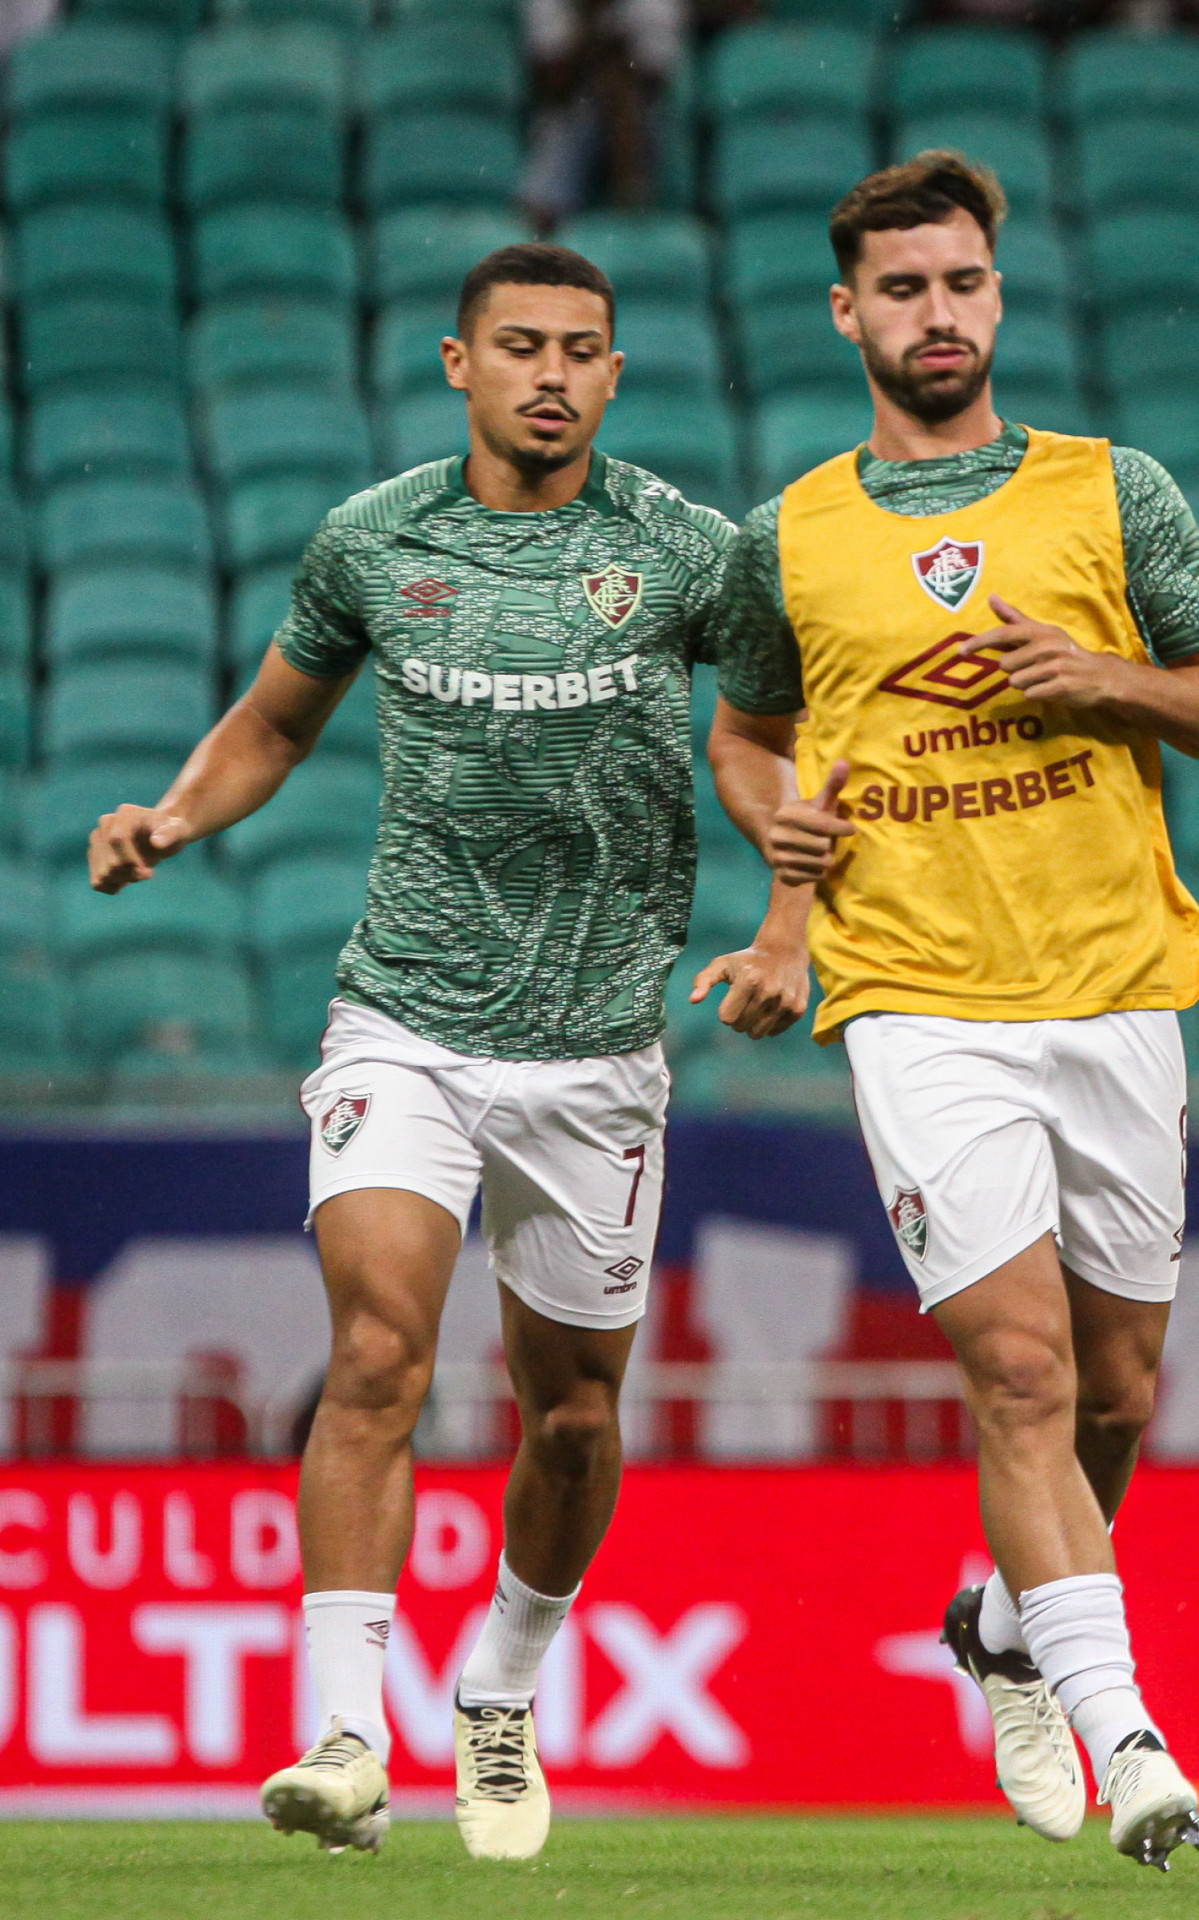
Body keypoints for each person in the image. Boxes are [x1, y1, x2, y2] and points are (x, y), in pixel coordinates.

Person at [87, 243, 801, 1861]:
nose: (552, 373)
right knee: (378, 1356)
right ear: (455, 363)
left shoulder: (693, 556)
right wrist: (174, 815)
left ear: (618, 375)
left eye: (584, 350)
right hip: (402, 1016)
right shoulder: (376, 538)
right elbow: (277, 718)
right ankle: (344, 1734)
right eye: (521, 346)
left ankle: (503, 1682)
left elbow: (770, 741)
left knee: (571, 1422)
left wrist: (787, 928)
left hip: (600, 1052)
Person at [704, 151, 1199, 1869]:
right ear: (849, 312)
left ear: (999, 295)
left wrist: (1106, 678)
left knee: (1122, 1392)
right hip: (915, 996)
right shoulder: (793, 532)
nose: (938, 313)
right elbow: (751, 731)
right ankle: (1130, 1735)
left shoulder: (1111, 492)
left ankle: (1000, 1623)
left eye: (962, 284)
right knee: (1019, 1373)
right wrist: (775, 837)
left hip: (1119, 981)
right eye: (902, 289)